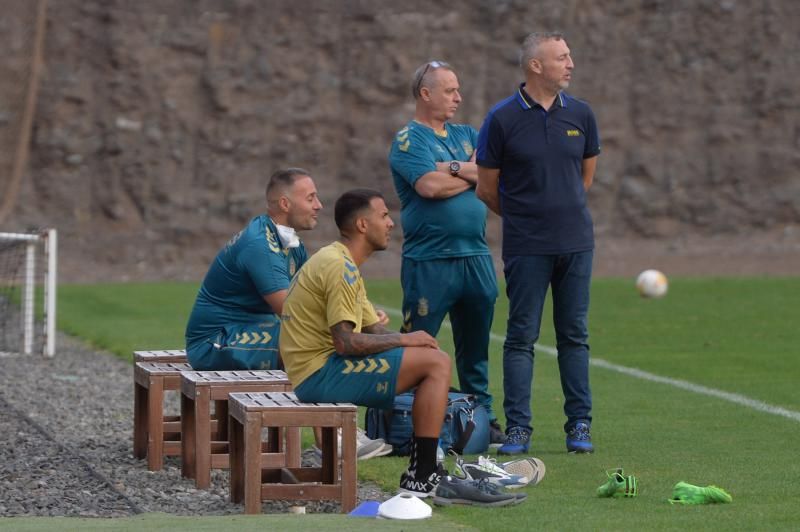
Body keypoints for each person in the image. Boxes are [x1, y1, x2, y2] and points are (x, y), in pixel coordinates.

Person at [279, 188, 452, 496]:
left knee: (430, 357)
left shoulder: (342, 260)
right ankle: (423, 474)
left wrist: (413, 343)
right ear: (362, 225)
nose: (390, 224)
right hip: (317, 375)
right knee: (437, 365)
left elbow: (373, 330)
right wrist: (407, 339)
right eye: (384, 216)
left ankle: (426, 465)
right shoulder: (339, 267)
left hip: (317, 368)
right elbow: (345, 343)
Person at [476, 32, 601, 455]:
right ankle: (518, 430)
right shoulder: (502, 119)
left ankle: (579, 426)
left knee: (574, 335)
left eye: (569, 56)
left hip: (576, 244)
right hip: (527, 246)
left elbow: (584, 178)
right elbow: (487, 188)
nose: (571, 64)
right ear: (535, 66)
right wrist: (527, 218)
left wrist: (561, 213)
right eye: (562, 57)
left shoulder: (581, 115)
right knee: (520, 337)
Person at [388, 61, 504, 444]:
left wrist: (451, 168)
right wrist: (467, 172)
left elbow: (492, 177)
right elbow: (429, 187)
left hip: (476, 258)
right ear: (426, 94)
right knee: (416, 344)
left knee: (476, 350)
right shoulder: (409, 140)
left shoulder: (469, 134)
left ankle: (483, 421)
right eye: (450, 90)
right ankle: (399, 419)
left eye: (458, 90)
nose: (459, 97)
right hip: (430, 261)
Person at [184, 167, 321, 371]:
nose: (319, 205)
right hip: (213, 342)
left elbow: (314, 294)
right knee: (315, 341)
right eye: (311, 199)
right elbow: (291, 310)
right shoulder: (260, 245)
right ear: (285, 204)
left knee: (329, 337)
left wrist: (359, 316)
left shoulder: (291, 242)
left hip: (250, 330)